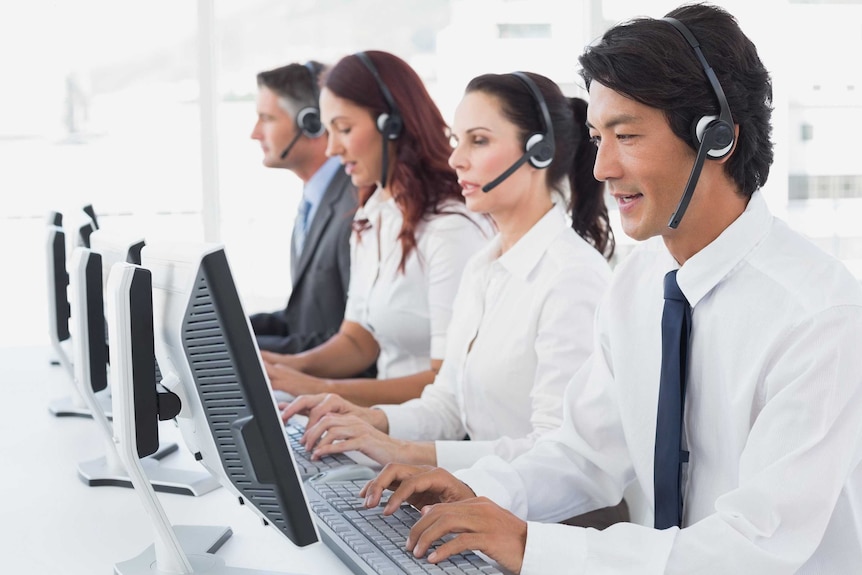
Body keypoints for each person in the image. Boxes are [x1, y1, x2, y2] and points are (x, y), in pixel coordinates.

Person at [358, 4, 862, 574]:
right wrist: (467, 490)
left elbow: (755, 547)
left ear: (716, 138)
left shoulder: (819, 315)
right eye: (598, 138)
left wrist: (531, 547)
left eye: (625, 136)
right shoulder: (640, 283)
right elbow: (584, 453)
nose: (600, 168)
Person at [282, 73, 616, 484]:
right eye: (457, 140)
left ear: (540, 151)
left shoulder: (572, 278)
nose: (457, 158)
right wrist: (370, 421)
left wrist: (403, 451)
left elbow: (554, 452)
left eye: (478, 140)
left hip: (550, 520)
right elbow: (447, 405)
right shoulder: (483, 267)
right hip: (483, 498)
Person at [262, 51, 491, 407]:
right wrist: (282, 367)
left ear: (392, 125)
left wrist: (314, 388)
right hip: (380, 427)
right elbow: (358, 339)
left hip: (431, 438)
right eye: (328, 130)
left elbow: (448, 381)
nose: (333, 148)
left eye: (344, 128)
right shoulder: (373, 215)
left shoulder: (450, 226)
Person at [249, 61, 360, 359]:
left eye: (267, 118)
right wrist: (228, 332)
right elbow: (306, 319)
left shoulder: (355, 203)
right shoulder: (316, 199)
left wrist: (239, 349)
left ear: (312, 123)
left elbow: (355, 340)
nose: (254, 133)